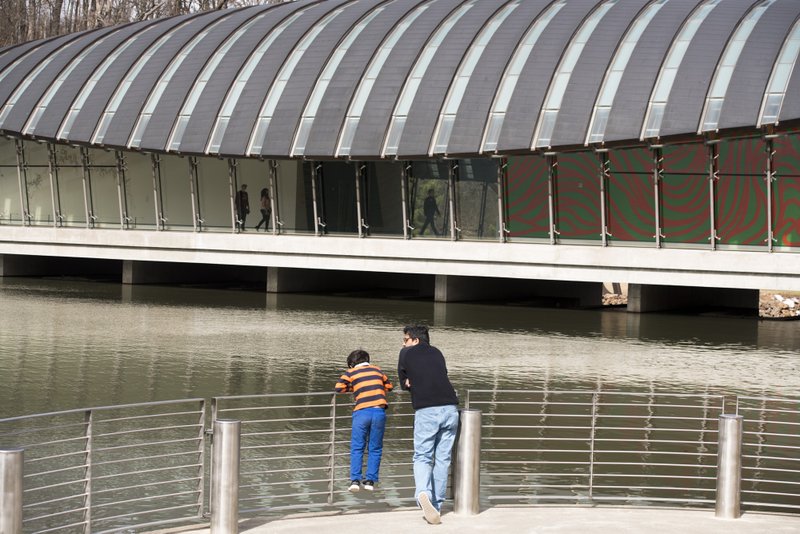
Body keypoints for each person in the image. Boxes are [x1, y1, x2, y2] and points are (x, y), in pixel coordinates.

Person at [397, 325, 458, 525]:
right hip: (450, 409)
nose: (403, 343)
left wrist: (409, 381)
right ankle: (436, 505)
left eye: (405, 339)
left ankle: (423, 493)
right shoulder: (437, 352)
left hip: (427, 410)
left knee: (423, 456)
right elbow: (442, 374)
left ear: (415, 340)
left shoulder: (406, 353)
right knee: (442, 459)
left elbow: (403, 382)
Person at [335, 349, 393, 493]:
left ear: (351, 364)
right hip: (379, 411)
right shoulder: (377, 370)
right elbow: (389, 387)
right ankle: (370, 481)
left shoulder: (351, 373)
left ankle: (355, 480)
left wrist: (355, 388)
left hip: (362, 412)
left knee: (357, 447)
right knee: (375, 448)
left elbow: (339, 388)